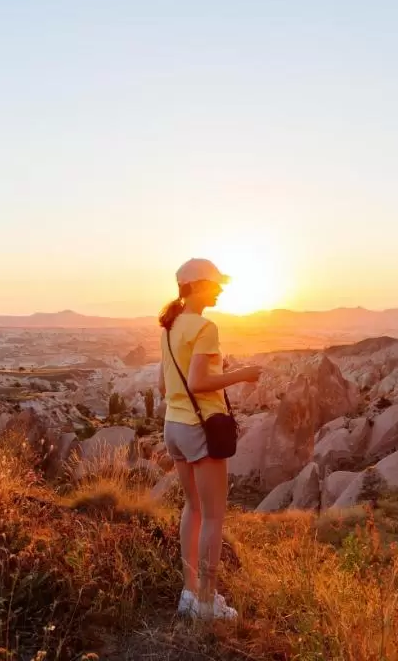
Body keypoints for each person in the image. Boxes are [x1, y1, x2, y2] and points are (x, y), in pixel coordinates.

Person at [158, 258, 262, 620]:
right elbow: (200, 382)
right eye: (215, 284)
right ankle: (206, 601)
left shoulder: (169, 327)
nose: (220, 289)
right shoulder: (205, 327)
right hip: (200, 427)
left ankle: (189, 594)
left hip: (174, 426)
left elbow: (165, 383)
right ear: (197, 286)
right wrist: (242, 375)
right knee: (214, 516)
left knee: (194, 508)